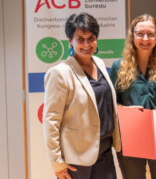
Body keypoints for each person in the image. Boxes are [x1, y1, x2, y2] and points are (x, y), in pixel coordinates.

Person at [43, 13, 121, 179]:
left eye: (91, 38)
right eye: (80, 39)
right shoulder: (60, 73)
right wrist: (57, 161)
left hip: (105, 153)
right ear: (70, 41)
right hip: (76, 159)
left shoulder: (99, 63)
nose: (86, 44)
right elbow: (51, 120)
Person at [109, 14, 156, 179]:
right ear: (132, 36)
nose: (145, 39)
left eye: (151, 34)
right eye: (140, 34)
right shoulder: (118, 67)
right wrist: (125, 109)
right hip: (130, 138)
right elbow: (111, 103)